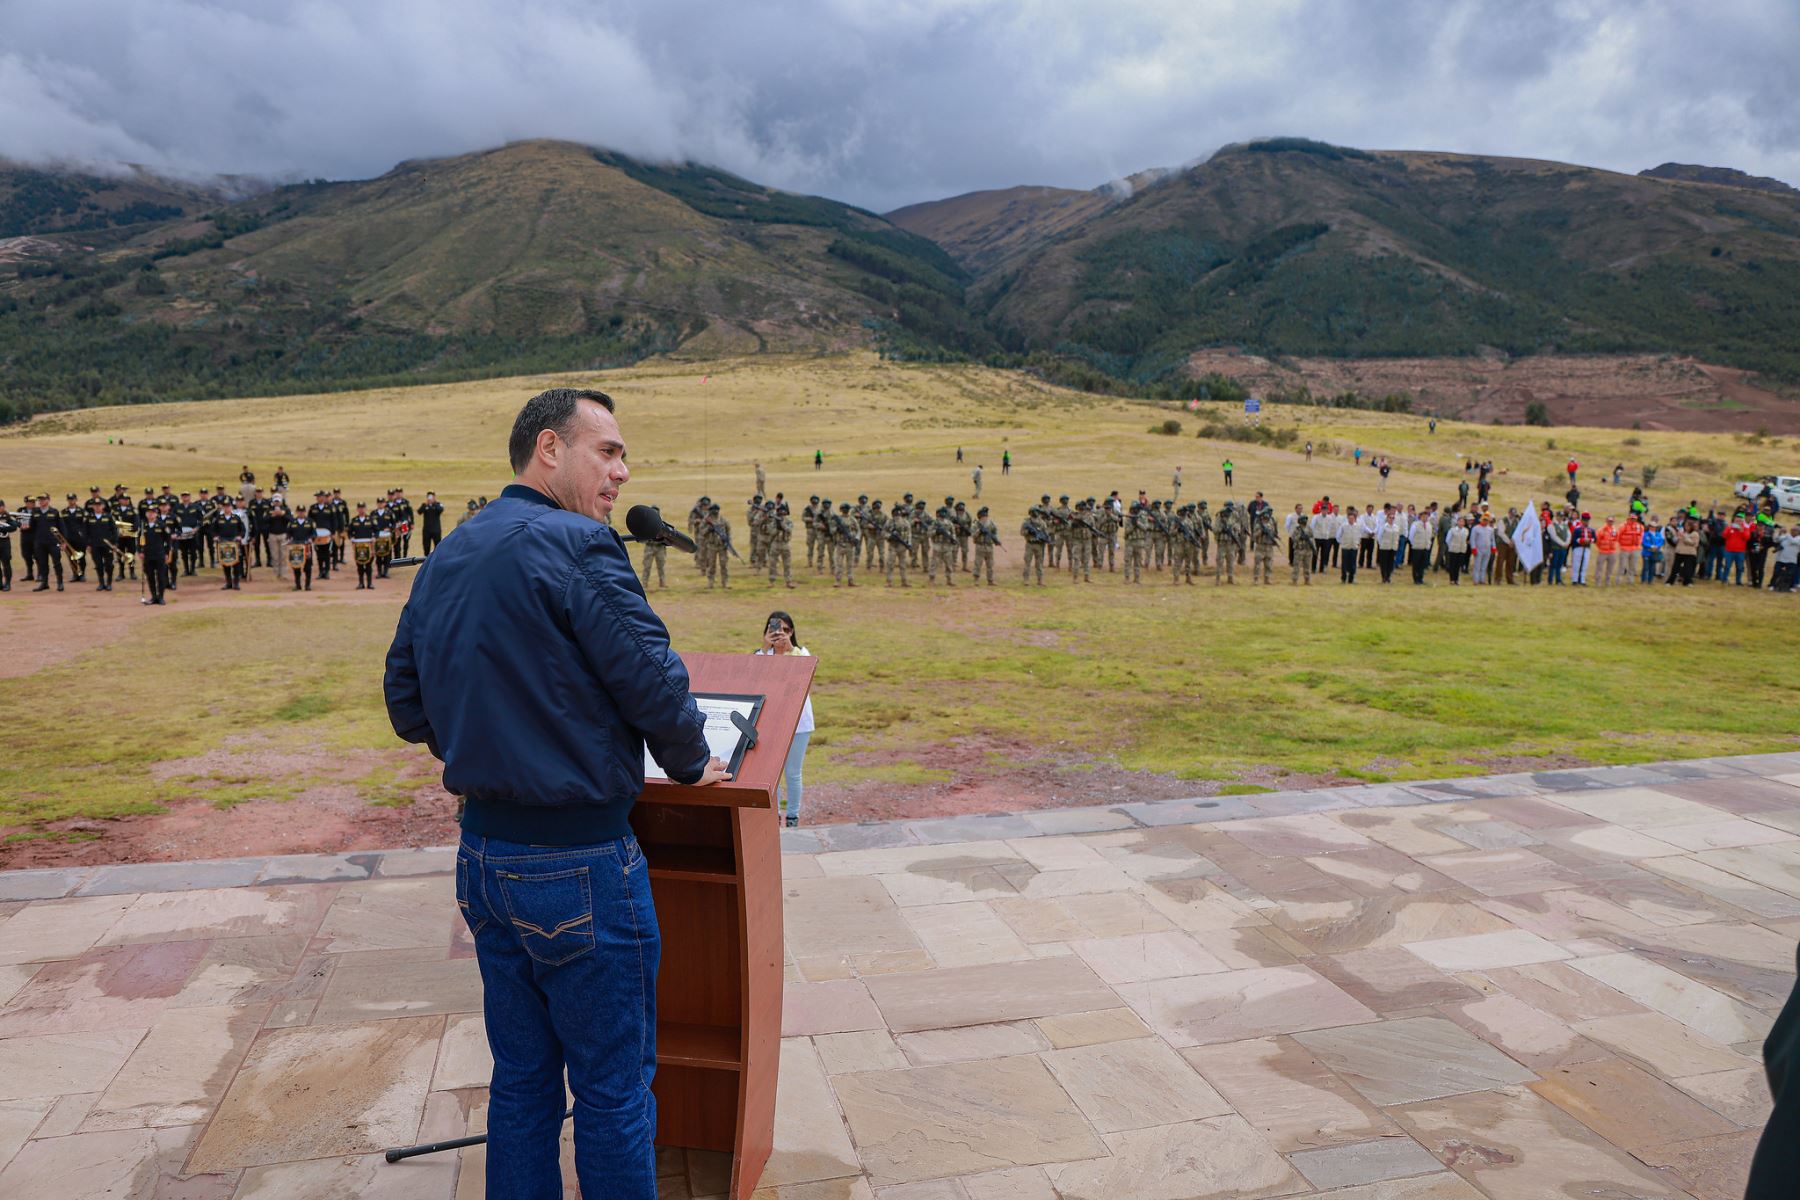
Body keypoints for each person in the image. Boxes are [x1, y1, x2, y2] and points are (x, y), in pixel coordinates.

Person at [385, 387, 729, 1200]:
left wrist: (492, 747)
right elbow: (652, 683)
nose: (622, 470)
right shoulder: (580, 547)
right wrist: (689, 762)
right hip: (578, 860)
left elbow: (406, 704)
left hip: (485, 857)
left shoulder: (455, 549)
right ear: (550, 449)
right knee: (612, 1089)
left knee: (523, 1079)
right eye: (606, 451)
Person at [755, 611, 813, 827]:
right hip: (772, 722)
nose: (781, 634)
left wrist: (789, 651)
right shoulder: (761, 655)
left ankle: (792, 817)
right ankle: (773, 816)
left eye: (786, 630)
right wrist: (764, 649)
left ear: (793, 632)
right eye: (776, 630)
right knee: (774, 774)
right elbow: (756, 679)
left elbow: (803, 677)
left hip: (799, 723)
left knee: (793, 773)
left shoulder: (801, 653)